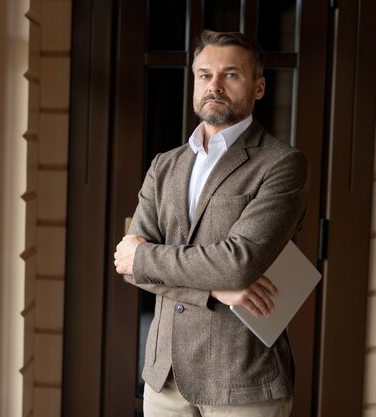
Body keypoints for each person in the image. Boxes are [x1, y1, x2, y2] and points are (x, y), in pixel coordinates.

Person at [113, 30, 308, 417]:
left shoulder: (282, 164)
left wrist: (147, 257)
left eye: (231, 75)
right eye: (204, 75)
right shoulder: (164, 165)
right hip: (164, 377)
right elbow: (128, 265)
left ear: (259, 87)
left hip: (242, 379)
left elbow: (239, 263)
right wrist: (215, 293)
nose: (214, 85)